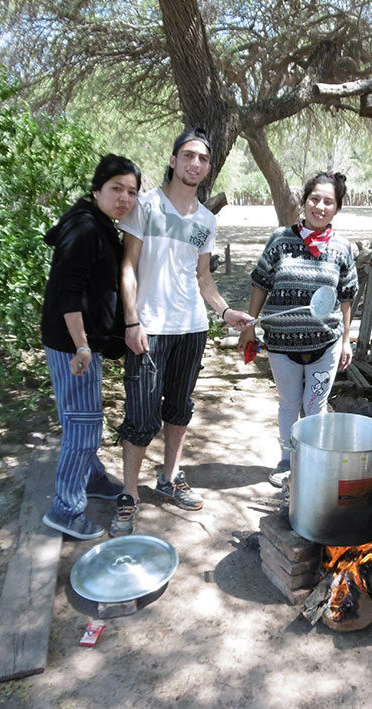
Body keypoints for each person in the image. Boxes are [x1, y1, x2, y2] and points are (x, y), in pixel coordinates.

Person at [112, 127, 252, 535]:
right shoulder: (147, 206)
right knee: (140, 415)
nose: (195, 163)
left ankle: (170, 478)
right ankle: (130, 493)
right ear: (174, 160)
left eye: (203, 159)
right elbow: (128, 268)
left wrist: (225, 311)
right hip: (149, 329)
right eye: (188, 155)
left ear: (208, 169)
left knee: (179, 408)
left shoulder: (206, 220)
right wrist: (132, 320)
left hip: (191, 328)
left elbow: (203, 277)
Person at [40, 154, 141, 540]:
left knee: (79, 418)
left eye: (131, 192)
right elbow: (69, 293)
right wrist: (82, 346)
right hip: (73, 346)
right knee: (84, 427)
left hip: (80, 344)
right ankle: (65, 509)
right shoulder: (84, 229)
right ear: (96, 189)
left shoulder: (97, 225)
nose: (124, 199)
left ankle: (92, 477)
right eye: (116, 189)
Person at [238, 171, 358, 487]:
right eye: (314, 199)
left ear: (337, 208)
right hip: (281, 346)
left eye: (328, 201)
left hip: (326, 345)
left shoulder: (343, 248)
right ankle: (286, 459)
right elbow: (260, 284)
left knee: (315, 406)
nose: (320, 206)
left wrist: (346, 340)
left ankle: (313, 462)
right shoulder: (280, 240)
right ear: (304, 202)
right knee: (290, 404)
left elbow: (346, 299)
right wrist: (249, 327)